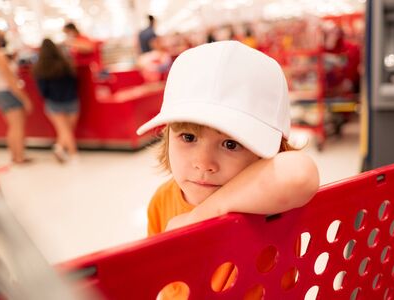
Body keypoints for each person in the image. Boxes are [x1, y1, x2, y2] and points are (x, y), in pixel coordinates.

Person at [136, 41, 319, 299]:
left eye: (230, 144)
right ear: (167, 136)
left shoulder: (270, 199)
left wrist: (200, 216)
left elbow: (301, 174)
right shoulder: (161, 202)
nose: (204, 163)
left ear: (270, 151)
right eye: (188, 138)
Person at [32, 38, 79, 163]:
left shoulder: (40, 68)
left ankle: (61, 149)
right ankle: (70, 153)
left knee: (64, 130)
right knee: (67, 129)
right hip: (71, 99)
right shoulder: (65, 63)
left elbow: (42, 91)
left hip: (53, 102)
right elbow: (74, 80)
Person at [0, 29, 33, 164]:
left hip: (0, 92)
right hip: (7, 92)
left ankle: (15, 155)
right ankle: (19, 156)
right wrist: (25, 98)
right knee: (17, 126)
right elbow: (10, 80)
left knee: (12, 126)